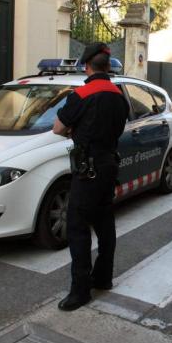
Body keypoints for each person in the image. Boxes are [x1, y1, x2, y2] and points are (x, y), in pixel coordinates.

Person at [53, 42, 129, 311]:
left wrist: (77, 130)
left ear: (86, 65)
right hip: (109, 165)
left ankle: (80, 290)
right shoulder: (119, 94)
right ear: (107, 66)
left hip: (87, 169)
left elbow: (57, 128)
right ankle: (104, 278)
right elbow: (120, 126)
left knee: (77, 228)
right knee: (105, 222)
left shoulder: (82, 94)